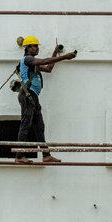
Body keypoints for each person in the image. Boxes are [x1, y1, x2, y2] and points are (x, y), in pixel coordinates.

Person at [15, 36, 77, 164]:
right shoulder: (27, 59)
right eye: (35, 46)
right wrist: (65, 57)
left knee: (39, 126)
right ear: (28, 48)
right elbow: (44, 61)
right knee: (26, 123)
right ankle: (19, 156)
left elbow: (48, 68)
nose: (37, 48)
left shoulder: (33, 64)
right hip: (27, 95)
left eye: (37, 46)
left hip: (33, 97)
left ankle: (46, 155)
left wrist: (55, 53)